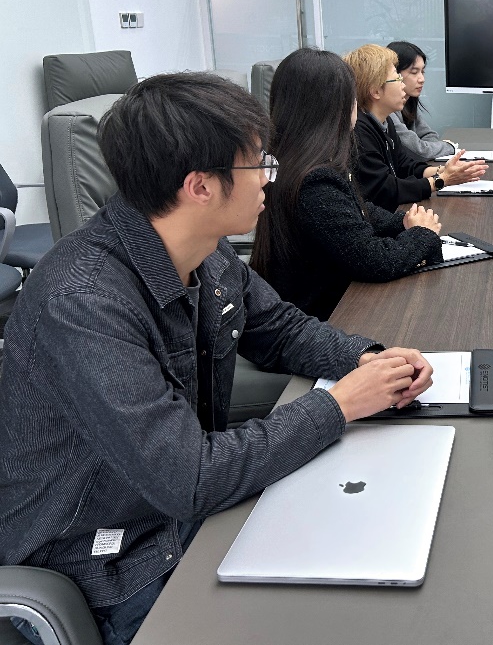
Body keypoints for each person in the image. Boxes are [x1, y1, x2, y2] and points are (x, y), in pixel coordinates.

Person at [0, 73, 433, 645]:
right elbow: (191, 479)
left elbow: (279, 328)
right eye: (258, 163)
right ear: (200, 186)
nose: (270, 176)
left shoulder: (204, 251)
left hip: (179, 510)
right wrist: (339, 405)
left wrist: (371, 360)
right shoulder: (85, 303)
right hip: (107, 560)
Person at [251, 48, 445, 320]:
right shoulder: (314, 181)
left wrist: (402, 222)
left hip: (321, 305)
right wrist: (421, 233)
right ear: (334, 107)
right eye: (352, 97)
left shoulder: (299, 160)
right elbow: (374, 261)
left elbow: (356, 211)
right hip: (325, 315)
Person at [345, 44, 486, 211]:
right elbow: (387, 190)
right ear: (375, 91)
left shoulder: (385, 122)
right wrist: (442, 180)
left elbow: (404, 165)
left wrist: (444, 170)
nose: (403, 85)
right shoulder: (360, 132)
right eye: (397, 79)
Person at [387, 40, 458, 160]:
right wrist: (449, 146)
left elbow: (428, 135)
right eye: (414, 72)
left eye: (422, 71)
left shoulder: (409, 101)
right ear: (393, 74)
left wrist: (429, 148)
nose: (422, 79)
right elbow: (419, 152)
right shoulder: (387, 110)